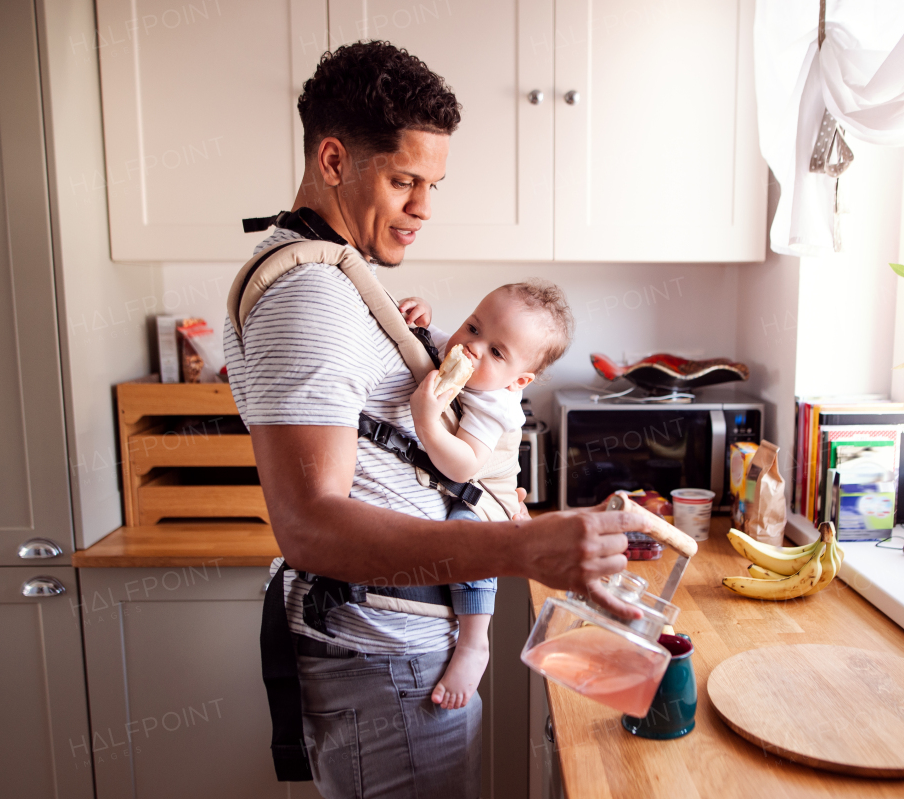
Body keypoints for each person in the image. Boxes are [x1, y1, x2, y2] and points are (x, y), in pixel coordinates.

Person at [224, 41, 649, 799]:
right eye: (404, 181)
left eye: (434, 184)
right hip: (386, 665)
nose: (424, 208)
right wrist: (521, 544)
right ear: (332, 161)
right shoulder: (308, 297)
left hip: (402, 655)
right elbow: (311, 525)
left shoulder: (335, 279)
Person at [398, 281, 574, 710]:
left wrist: (427, 421)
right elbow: (433, 340)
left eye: (497, 352)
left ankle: (475, 642)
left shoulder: (494, 400)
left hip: (488, 498)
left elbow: (462, 465)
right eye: (473, 326)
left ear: (520, 380)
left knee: (468, 539)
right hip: (470, 487)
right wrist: (422, 315)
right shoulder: (467, 353)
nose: (473, 348)